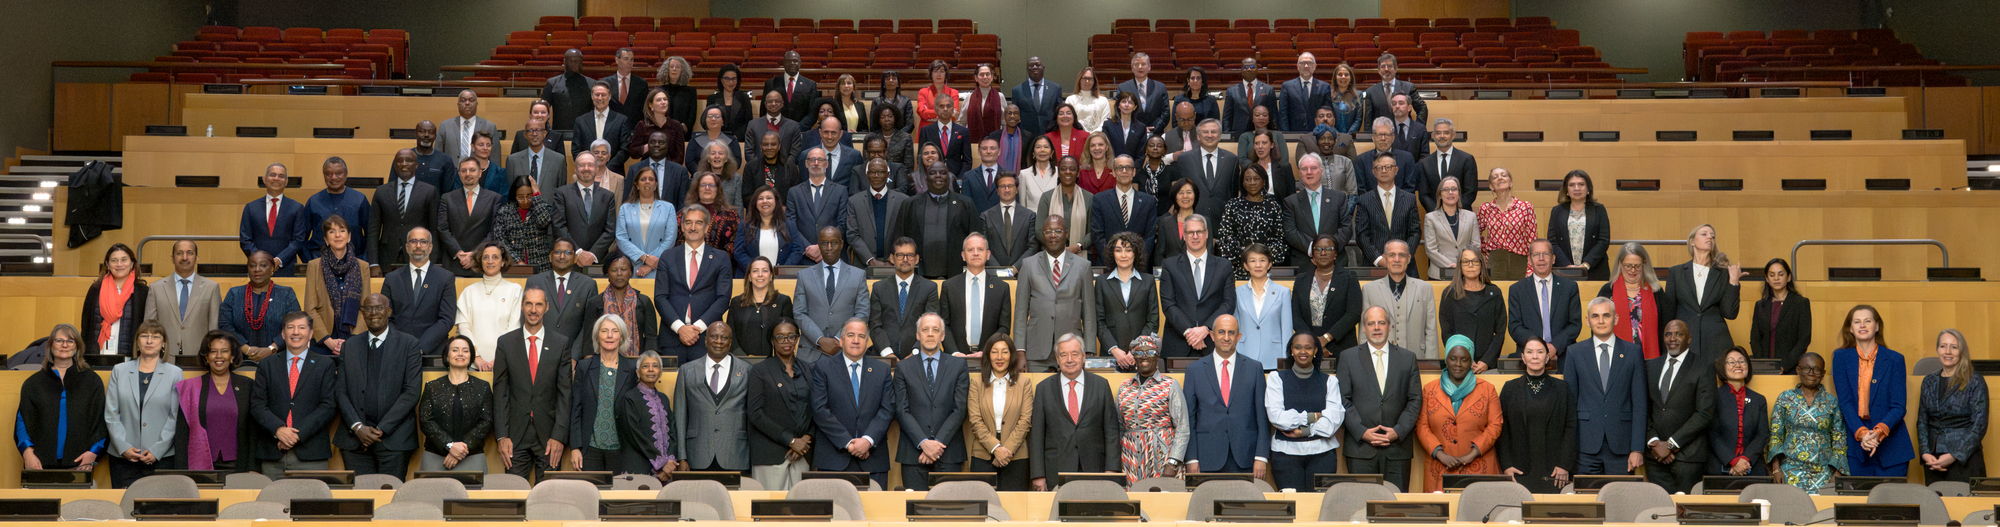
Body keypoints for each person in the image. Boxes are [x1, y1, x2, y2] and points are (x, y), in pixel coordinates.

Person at [333, 294, 423, 477]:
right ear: (362, 313)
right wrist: (358, 427)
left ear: (388, 311)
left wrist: (381, 430)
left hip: (394, 440)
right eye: (368, 309)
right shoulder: (350, 346)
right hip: (355, 440)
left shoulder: (409, 344)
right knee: (360, 495)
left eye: (379, 308)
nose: (373, 313)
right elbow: (341, 392)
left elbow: (411, 392)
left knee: (391, 493)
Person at [1337, 307, 1422, 492]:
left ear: (1390, 326)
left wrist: (1398, 431)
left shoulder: (1408, 358)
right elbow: (1342, 399)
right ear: (1364, 328)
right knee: (1360, 502)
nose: (1376, 327)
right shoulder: (1348, 357)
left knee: (1396, 504)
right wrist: (1362, 432)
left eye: (1381, 323)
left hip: (1397, 449)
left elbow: (1415, 400)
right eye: (1371, 323)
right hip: (1360, 449)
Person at [492, 287, 572, 480]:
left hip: (550, 436)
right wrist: (502, 436)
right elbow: (500, 392)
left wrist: (559, 436)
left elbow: (565, 394)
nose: (533, 310)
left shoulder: (561, 343)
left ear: (547, 307)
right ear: (521, 306)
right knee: (513, 494)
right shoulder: (505, 343)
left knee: (548, 495)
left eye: (539, 304)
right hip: (514, 436)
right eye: (529, 304)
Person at [1564, 297, 1649, 476]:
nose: (1601, 321)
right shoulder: (1574, 352)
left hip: (1622, 446)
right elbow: (1569, 404)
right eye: (1595, 316)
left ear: (1615, 319)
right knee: (1586, 494)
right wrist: (1569, 449)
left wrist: (1637, 448)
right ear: (1587, 321)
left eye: (1606, 315)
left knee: (1620, 494)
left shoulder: (1633, 352)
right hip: (1584, 447)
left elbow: (1640, 404)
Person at [809, 319, 898, 488]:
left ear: (867, 341)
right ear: (841, 341)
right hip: (833, 459)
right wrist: (848, 443)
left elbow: (887, 410)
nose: (856, 340)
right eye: (851, 335)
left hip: (873, 459)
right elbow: (820, 410)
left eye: (861, 336)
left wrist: (868, 440)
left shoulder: (882, 370)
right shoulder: (823, 368)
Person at [1182, 315, 1273, 477]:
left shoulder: (1254, 368)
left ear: (1239, 337)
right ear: (1212, 336)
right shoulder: (1194, 370)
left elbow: (1262, 417)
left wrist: (1261, 456)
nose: (1226, 337)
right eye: (1221, 332)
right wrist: (1191, 458)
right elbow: (1188, 419)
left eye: (1231, 333)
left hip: (1246, 457)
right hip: (1206, 458)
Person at [250, 312, 338, 479]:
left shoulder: (325, 364)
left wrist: (297, 435)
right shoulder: (267, 364)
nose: (296, 332)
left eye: (302, 327)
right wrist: (278, 429)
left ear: (311, 334)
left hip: (311, 454)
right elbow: (257, 404)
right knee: (271, 496)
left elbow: (329, 406)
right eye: (290, 327)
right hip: (273, 452)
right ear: (283, 334)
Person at [1029, 334, 1123, 490]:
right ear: (1057, 359)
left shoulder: (1101, 385)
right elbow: (1036, 436)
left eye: (1074, 354)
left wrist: (1111, 471)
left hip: (1095, 468)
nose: (1069, 359)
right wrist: (1038, 475)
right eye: (1063, 355)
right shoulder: (1043, 389)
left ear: (1084, 356)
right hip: (1056, 470)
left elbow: (1111, 431)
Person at [1830, 305, 1913, 477]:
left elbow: (1898, 406)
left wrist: (1878, 432)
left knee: (1891, 495)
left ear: (1877, 326)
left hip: (1892, 445)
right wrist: (1862, 434)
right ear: (1850, 328)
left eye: (1867, 321)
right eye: (1857, 322)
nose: (1862, 325)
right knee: (1859, 495)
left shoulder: (1895, 359)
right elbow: (1845, 403)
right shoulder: (1840, 358)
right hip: (1856, 443)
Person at [891, 313, 971, 490]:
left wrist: (936, 445)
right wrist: (923, 443)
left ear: (942, 336)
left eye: (935, 330)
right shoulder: (903, 367)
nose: (930, 334)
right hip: (913, 454)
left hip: (949, 453)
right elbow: (901, 410)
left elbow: (959, 410)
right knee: (915, 506)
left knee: (949, 506)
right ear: (918, 335)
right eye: (925, 329)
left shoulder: (958, 365)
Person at [1417, 336, 1503, 493]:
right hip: (1440, 468)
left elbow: (1495, 425)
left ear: (1471, 362)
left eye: (1464, 359)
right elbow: (1422, 426)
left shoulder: (1487, 389)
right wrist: (1439, 454)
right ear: (1446, 359)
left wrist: (1472, 454)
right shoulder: (1429, 390)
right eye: (1452, 358)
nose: (1458, 364)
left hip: (1479, 466)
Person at [17, 324, 107, 473]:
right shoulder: (33, 383)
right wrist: (27, 452)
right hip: (40, 464)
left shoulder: (92, 381)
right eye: (59, 340)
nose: (64, 345)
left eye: (70, 341)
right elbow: (22, 421)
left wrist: (94, 452)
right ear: (50, 345)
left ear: (77, 346)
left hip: (80, 463)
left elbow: (101, 420)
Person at [103, 321, 183, 487]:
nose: (149, 341)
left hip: (161, 458)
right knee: (124, 502)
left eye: (155, 337)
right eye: (144, 336)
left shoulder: (175, 373)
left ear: (163, 343)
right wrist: (123, 447)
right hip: (123, 459)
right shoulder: (119, 370)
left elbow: (175, 416)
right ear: (137, 342)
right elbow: (111, 413)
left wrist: (157, 450)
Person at [1643, 320, 1717, 494]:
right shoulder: (1650, 366)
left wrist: (1670, 445)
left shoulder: (1703, 367)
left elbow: (1705, 413)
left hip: (1688, 458)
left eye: (1679, 334)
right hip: (1654, 458)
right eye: (1668, 334)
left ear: (1689, 339)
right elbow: (1644, 408)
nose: (1672, 338)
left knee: (1685, 509)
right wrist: (1654, 442)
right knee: (1658, 508)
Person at [1263, 333, 1344, 491]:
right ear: (1291, 350)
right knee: (1292, 504)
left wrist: (1305, 431)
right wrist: (1314, 416)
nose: (1302, 351)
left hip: (1323, 455)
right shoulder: (1276, 378)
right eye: (1298, 347)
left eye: (1308, 347)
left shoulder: (1330, 381)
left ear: (1315, 351)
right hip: (1285, 456)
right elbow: (1277, 418)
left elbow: (1332, 422)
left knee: (1319, 504)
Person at [1106, 335, 1189, 483]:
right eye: (1139, 353)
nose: (1144, 356)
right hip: (1130, 461)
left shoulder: (1170, 385)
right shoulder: (1124, 387)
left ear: (1157, 357)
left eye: (1150, 352)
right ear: (1134, 358)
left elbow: (1182, 428)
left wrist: (1173, 462)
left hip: (1163, 461)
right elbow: (1118, 427)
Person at [1498, 337, 1576, 493]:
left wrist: (1564, 464)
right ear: (1523, 357)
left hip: (1554, 471)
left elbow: (1571, 427)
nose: (1535, 356)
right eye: (1529, 352)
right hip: (1519, 470)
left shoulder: (1562, 388)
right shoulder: (1510, 389)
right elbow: (1502, 429)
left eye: (1540, 352)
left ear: (1547, 358)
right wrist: (1506, 465)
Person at [170, 332, 256, 473]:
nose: (218, 356)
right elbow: (182, 434)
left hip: (239, 465)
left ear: (232, 356)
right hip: (200, 465)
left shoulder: (247, 385)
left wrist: (253, 468)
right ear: (206, 357)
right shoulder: (192, 388)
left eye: (224, 351)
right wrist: (182, 471)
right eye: (213, 351)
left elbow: (253, 431)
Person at [658, 205, 734, 364]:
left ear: (706, 227)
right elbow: (660, 297)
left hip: (706, 339)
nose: (693, 227)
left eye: (699, 223)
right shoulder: (667, 256)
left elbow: (723, 299)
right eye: (688, 222)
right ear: (682, 226)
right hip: (672, 339)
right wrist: (680, 328)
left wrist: (696, 329)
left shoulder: (721, 258)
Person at [672, 323, 752, 473]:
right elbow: (680, 415)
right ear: (705, 340)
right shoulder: (687, 370)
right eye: (714, 336)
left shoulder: (747, 370)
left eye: (724, 337)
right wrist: (682, 457)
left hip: (736, 455)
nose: (719, 341)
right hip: (697, 455)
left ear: (730, 342)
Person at [959, 334, 1035, 490]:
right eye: (994, 352)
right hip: (983, 454)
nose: (999, 357)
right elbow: (975, 420)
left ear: (1011, 355)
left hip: (1016, 455)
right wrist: (995, 448)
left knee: (1014, 504)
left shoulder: (1024, 383)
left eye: (1005, 352)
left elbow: (1025, 420)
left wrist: (1007, 450)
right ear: (988, 355)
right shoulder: (976, 384)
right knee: (984, 502)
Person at [747, 318, 815, 489]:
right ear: (772, 340)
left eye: (791, 336)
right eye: (780, 337)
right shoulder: (760, 370)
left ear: (797, 339)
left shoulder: (810, 370)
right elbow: (755, 413)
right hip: (770, 455)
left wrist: (806, 439)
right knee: (771, 505)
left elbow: (817, 408)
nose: (786, 341)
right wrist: (790, 441)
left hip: (803, 453)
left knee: (802, 503)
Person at [570, 314, 640, 471]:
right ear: (597, 336)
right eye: (604, 331)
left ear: (621, 337)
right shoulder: (584, 367)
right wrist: (575, 447)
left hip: (622, 449)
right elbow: (575, 409)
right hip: (589, 448)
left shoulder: (632, 369)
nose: (609, 335)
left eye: (615, 331)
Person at [1159, 214, 1235, 358]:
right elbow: (1168, 304)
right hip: (1178, 344)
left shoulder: (1224, 266)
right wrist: (1189, 332)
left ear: (1206, 234)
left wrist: (1206, 328)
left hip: (1212, 343)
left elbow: (1228, 303)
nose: (1195, 236)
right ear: (1184, 235)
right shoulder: (1170, 265)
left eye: (1199, 232)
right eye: (1190, 232)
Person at [1918, 329, 1987, 483]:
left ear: (1961, 351)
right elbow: (1922, 421)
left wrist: (1954, 455)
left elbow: (1979, 425)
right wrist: (1925, 452)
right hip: (1934, 460)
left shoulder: (1975, 381)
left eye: (1954, 347)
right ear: (1937, 349)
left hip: (1965, 459)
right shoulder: (1928, 381)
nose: (1947, 351)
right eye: (1943, 346)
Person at [1769, 352, 1847, 489]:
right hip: (1790, 471)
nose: (1811, 373)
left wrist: (1838, 473)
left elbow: (1839, 438)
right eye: (1806, 368)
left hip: (1824, 473)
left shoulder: (1831, 401)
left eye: (1816, 369)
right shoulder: (1785, 398)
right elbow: (1775, 435)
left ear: (1823, 374)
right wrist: (1776, 469)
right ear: (1798, 370)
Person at [1670, 224, 1743, 365]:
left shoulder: (1723, 273)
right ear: (1692, 241)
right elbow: (1669, 312)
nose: (1709, 237)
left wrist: (1733, 283)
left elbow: (1730, 313)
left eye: (1712, 236)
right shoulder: (1676, 272)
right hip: (1685, 340)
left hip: (1716, 342)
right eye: (1704, 234)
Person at [377, 228, 457, 358]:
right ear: (407, 247)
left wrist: (420, 347)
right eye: (413, 241)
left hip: (432, 352)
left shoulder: (445, 278)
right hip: (397, 351)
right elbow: (385, 317)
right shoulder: (392, 278)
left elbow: (446, 319)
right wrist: (403, 345)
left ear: (430, 247)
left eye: (423, 241)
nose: (418, 245)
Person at [893, 162, 981, 279]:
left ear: (949, 178)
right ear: (926, 178)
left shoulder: (966, 204)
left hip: (956, 273)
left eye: (942, 173)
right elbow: (899, 237)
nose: (938, 175)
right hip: (918, 273)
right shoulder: (910, 204)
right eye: (933, 173)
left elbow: (976, 238)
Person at [795, 227, 869, 362]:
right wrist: (820, 339)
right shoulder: (804, 276)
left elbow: (862, 313)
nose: (829, 247)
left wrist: (838, 338)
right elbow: (799, 313)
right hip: (811, 354)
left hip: (845, 352)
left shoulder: (858, 275)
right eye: (824, 243)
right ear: (819, 245)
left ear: (841, 244)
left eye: (833, 243)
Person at [419, 336, 492, 472]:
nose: (460, 354)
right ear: (447, 356)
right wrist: (449, 445)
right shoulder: (432, 386)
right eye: (455, 350)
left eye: (465, 351)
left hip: (472, 457)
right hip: (436, 457)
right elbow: (426, 421)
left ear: (471, 356)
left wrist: (461, 449)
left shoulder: (483, 387)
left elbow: (486, 421)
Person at [1599, 243, 1676, 361]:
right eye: (1628, 266)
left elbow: (1668, 326)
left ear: (1644, 264)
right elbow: (1598, 326)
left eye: (1637, 266)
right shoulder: (1607, 291)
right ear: (1620, 263)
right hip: (1615, 358)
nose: (1633, 270)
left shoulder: (1656, 291)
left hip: (1651, 359)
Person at [1363, 240, 1440, 358]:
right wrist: (1366, 361)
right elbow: (1364, 332)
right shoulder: (1369, 289)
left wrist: (1430, 363)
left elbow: (1431, 331)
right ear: (1385, 258)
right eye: (1392, 255)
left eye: (1402, 255)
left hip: (1417, 358)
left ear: (1409, 258)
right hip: (1380, 359)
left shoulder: (1425, 288)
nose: (1397, 259)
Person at [143, 240, 220, 356]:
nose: (184, 257)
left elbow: (214, 328)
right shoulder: (156, 288)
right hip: (165, 357)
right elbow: (149, 326)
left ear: (196, 258)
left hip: (199, 356)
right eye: (179, 253)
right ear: (172, 258)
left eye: (190, 253)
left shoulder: (211, 287)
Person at [219, 252, 298, 364]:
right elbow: (224, 325)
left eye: (263, 265)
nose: (257, 269)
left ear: (272, 269)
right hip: (240, 361)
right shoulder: (234, 293)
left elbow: (295, 325)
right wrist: (246, 349)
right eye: (252, 266)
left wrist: (272, 348)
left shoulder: (286, 294)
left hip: (278, 361)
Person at [525, 239, 598, 361]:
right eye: (558, 252)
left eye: (567, 253)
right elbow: (527, 319)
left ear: (575, 258)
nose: (562, 256)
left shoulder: (588, 285)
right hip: (538, 354)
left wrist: (574, 356)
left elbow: (589, 326)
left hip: (574, 358)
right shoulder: (534, 282)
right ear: (550, 256)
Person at [304, 216, 366, 355]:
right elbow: (310, 308)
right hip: (322, 340)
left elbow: (365, 308)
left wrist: (352, 341)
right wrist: (327, 339)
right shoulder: (314, 266)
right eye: (332, 231)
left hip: (354, 339)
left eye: (342, 230)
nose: (338, 235)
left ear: (349, 237)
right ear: (326, 240)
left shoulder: (363, 267)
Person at [868, 238, 941, 358]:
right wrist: (888, 354)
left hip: (918, 358)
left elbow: (931, 325)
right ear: (892, 258)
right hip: (884, 357)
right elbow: (874, 325)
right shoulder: (879, 288)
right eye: (900, 255)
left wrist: (915, 353)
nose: (905, 259)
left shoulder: (929, 288)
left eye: (910, 255)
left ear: (916, 259)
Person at [369, 150, 441, 270]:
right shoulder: (381, 191)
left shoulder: (429, 191)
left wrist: (432, 261)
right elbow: (373, 231)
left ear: (416, 165)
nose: (404, 164)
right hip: (387, 256)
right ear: (394, 165)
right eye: (399, 161)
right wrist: (373, 263)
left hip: (419, 254)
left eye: (409, 160)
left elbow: (434, 229)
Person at [942, 234, 1011, 358]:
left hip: (989, 357)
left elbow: (1004, 327)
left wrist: (987, 351)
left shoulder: (1001, 288)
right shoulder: (949, 286)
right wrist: (955, 352)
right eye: (970, 250)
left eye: (980, 249)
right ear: (963, 255)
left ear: (988, 254)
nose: (975, 253)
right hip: (956, 357)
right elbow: (943, 324)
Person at [1509, 240, 1583, 355]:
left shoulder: (1569, 287)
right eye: (1536, 254)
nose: (1541, 258)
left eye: (1546, 254)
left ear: (1553, 259)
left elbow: (1575, 324)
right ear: (1529, 260)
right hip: (1529, 356)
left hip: (1562, 354)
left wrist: (1555, 346)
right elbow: (1514, 326)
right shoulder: (1517, 289)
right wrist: (1538, 347)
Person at [454, 243, 521, 370]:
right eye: (485, 257)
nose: (490, 261)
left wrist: (500, 358)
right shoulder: (469, 291)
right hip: (473, 364)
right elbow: (464, 328)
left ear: (503, 262)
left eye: (495, 257)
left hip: (505, 363)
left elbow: (514, 329)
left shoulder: (515, 290)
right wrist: (476, 357)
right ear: (480, 261)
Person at [1095, 233, 1157, 368]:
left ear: (1136, 253)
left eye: (1128, 250)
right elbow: (1099, 321)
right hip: (1111, 355)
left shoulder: (1148, 281)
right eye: (1118, 250)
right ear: (1112, 254)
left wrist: (1137, 349)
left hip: (1142, 355)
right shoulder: (1101, 282)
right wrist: (1114, 349)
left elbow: (1153, 320)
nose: (1123, 255)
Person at [1295, 235, 1364, 352]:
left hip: (1342, 346)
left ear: (1335, 253)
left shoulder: (1349, 277)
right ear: (1312, 253)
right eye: (1318, 249)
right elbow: (1296, 316)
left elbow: (1353, 313)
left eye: (1328, 249)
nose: (1323, 253)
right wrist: (1313, 342)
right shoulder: (1301, 280)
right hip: (1308, 348)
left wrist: (1326, 338)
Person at [1219, 166, 1291, 277]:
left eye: (1256, 179)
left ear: (1263, 182)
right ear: (1243, 182)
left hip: (1268, 268)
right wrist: (1247, 257)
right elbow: (1226, 236)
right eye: (1248, 179)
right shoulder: (1232, 205)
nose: (1252, 183)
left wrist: (1262, 258)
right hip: (1239, 266)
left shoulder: (1273, 206)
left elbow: (1280, 238)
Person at [1441, 249, 1506, 372]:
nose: (1470, 265)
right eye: (1466, 261)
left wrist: (1487, 361)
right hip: (1458, 364)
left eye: (1475, 261)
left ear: (1481, 264)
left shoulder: (1494, 293)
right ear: (1460, 265)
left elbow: (1500, 332)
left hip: (1486, 366)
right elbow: (1447, 332)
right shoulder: (1449, 294)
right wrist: (1463, 358)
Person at [241, 164, 311, 277]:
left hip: (286, 269)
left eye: (281, 176)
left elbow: (298, 240)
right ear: (264, 179)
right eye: (272, 175)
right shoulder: (251, 207)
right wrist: (261, 260)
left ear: (286, 181)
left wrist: (279, 260)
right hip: (257, 269)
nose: (276, 178)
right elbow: (245, 239)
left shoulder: (297, 208)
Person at [1167, 119, 1242, 224]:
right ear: (1198, 136)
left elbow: (1233, 193)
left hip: (1223, 220)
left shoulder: (1232, 159)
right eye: (1205, 132)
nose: (1209, 135)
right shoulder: (1184, 159)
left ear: (1220, 136)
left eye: (1214, 132)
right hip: (1192, 220)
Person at [1088, 156, 1158, 267]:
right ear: (1113, 172)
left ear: (1134, 172)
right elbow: (1097, 235)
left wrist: (1137, 260)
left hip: (1139, 266)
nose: (1124, 171)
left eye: (1128, 168)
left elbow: (1149, 237)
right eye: (1120, 168)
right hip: (1109, 266)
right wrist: (1113, 259)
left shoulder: (1148, 201)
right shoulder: (1100, 200)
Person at [1708, 347, 1768, 478]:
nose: (1738, 365)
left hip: (1752, 465)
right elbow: (1712, 434)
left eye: (1742, 361)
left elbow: (1762, 434)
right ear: (1723, 367)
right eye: (1731, 362)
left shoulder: (1759, 400)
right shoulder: (1713, 397)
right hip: (1720, 464)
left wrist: (1745, 460)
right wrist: (1733, 461)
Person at [551, 156, 619, 272]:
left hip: (597, 262)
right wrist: (578, 252)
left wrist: (592, 255)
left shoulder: (608, 196)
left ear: (596, 169)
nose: (586, 168)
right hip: (570, 260)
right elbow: (558, 225)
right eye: (582, 165)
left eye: (590, 165)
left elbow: (610, 230)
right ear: (575, 169)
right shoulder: (562, 194)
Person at [785, 148, 851, 265]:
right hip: (804, 257)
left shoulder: (840, 191)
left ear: (827, 164)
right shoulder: (794, 192)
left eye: (820, 160)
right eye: (812, 160)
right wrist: (809, 249)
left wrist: (823, 247)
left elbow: (842, 224)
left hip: (833, 256)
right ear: (806, 163)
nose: (816, 163)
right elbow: (791, 225)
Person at [1356, 148, 1419, 269]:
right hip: (1374, 265)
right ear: (1373, 172)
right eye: (1379, 168)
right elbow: (1362, 235)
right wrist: (1378, 259)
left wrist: (1403, 257)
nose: (1384, 170)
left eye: (1388, 167)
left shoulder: (1409, 199)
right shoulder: (1364, 200)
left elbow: (1414, 233)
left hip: (1404, 265)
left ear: (1396, 170)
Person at [618, 351, 678, 478]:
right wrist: (661, 464)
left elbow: (672, 431)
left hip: (666, 472)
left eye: (655, 366)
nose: (651, 369)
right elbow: (635, 435)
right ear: (638, 372)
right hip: (638, 468)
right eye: (645, 366)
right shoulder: (629, 398)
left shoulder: (664, 399)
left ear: (660, 372)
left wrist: (669, 463)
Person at [83, 245, 150, 357]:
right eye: (114, 260)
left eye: (124, 260)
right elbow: (86, 325)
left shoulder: (142, 291)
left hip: (129, 355)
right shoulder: (95, 289)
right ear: (107, 264)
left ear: (132, 263)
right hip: (98, 353)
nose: (119, 264)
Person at [1233, 245, 1294, 366]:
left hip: (1274, 356)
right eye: (1252, 261)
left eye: (1262, 260)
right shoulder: (1237, 292)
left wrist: (1286, 361)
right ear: (1245, 265)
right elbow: (1235, 327)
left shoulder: (1283, 292)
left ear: (1269, 264)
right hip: (1244, 354)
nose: (1258, 265)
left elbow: (1287, 330)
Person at [613, 167, 678, 279]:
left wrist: (650, 264)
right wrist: (644, 257)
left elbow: (670, 239)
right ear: (637, 185)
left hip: (659, 267)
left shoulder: (668, 208)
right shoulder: (625, 208)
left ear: (656, 185)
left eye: (651, 179)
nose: (647, 182)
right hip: (633, 267)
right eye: (643, 179)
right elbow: (621, 238)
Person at [305, 157, 371, 262]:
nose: (334, 177)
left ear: (346, 174)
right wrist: (309, 261)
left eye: (338, 173)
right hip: (320, 261)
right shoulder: (313, 201)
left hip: (355, 261)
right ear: (324, 175)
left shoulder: (360, 199)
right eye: (328, 174)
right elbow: (301, 238)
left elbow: (371, 235)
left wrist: (364, 261)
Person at [1752, 258, 1812, 372]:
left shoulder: (1800, 303)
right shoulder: (1760, 305)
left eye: (1780, 274)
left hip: (1791, 367)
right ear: (1767, 279)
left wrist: (1785, 365)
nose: (1776, 278)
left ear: (1788, 277)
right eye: (1772, 275)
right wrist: (1763, 364)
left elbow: (1804, 339)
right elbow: (1755, 338)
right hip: (1765, 368)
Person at [725, 257, 792, 357]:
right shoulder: (736, 303)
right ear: (749, 277)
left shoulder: (783, 302)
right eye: (755, 271)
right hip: (741, 361)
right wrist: (743, 359)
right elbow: (730, 335)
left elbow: (788, 336)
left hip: (773, 362)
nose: (760, 274)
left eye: (765, 271)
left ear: (771, 276)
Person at [1478, 168, 1536, 278]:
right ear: (1491, 186)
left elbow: (1532, 239)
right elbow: (1475, 234)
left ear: (1511, 182)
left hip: (1519, 260)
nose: (1500, 178)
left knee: (1520, 289)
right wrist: (1485, 252)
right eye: (1495, 177)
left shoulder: (1525, 207)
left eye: (1503, 175)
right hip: (1495, 260)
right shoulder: (1485, 208)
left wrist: (1531, 267)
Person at [495, 176, 559, 272]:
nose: (525, 201)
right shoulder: (505, 212)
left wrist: (536, 196)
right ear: (515, 196)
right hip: (514, 265)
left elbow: (544, 221)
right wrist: (517, 260)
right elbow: (500, 238)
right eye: (520, 197)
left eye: (529, 196)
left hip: (540, 266)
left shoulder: (542, 207)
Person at [1423, 177, 1480, 279]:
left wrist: (1463, 263)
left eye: (1454, 189)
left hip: (1466, 273)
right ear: (1440, 195)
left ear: (1459, 193)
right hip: (1439, 274)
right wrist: (1453, 266)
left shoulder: (1471, 216)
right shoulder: (1430, 218)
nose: (1450, 192)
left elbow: (1476, 245)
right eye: (1445, 189)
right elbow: (1431, 250)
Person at [1034, 157, 1093, 256]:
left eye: (1072, 169)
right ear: (1058, 173)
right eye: (1063, 169)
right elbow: (1039, 230)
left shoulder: (1089, 198)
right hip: (1051, 253)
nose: (1067, 172)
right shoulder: (1046, 197)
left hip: (1080, 254)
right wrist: (1057, 247)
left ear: (1078, 173)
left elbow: (1093, 231)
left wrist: (1077, 246)